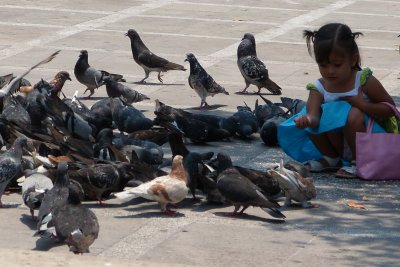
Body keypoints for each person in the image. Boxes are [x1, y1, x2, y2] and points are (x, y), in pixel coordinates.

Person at [278, 23, 397, 178]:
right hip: (338, 144)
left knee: (354, 113)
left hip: (367, 143)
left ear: (353, 60)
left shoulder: (363, 80)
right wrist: (307, 120)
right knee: (310, 111)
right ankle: (331, 158)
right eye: (323, 65)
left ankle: (358, 161)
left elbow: (390, 109)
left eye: (337, 65)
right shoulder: (319, 87)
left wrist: (362, 105)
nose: (330, 71)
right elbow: (313, 116)